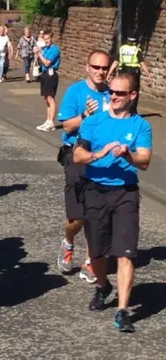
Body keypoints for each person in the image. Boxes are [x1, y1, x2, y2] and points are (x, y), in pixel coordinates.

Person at [73, 72, 152, 333]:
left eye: (120, 93)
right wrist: (98, 154)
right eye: (111, 92)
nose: (114, 97)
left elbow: (145, 161)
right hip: (95, 191)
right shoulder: (94, 122)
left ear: (132, 96)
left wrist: (128, 155)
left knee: (125, 252)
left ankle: (122, 311)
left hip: (125, 193)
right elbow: (77, 155)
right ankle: (103, 285)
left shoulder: (141, 126)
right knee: (96, 252)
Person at [56, 50, 111, 283]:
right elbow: (67, 127)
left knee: (95, 213)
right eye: (96, 67)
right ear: (87, 68)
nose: (100, 71)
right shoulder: (75, 92)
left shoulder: (114, 94)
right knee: (76, 217)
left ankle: (90, 261)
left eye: (104, 68)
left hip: (102, 157)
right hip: (75, 154)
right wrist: (86, 115)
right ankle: (68, 241)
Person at [107, 37, 153, 114]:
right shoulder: (136, 50)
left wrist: (109, 73)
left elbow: (116, 62)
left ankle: (121, 109)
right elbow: (142, 63)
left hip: (123, 72)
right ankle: (133, 111)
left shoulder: (122, 49)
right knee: (134, 92)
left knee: (121, 91)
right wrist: (149, 76)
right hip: (133, 73)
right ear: (135, 42)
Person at [34, 31, 61, 132]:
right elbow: (40, 60)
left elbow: (47, 63)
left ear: (52, 38)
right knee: (46, 98)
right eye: (45, 39)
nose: (46, 41)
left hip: (51, 74)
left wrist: (39, 53)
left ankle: (51, 122)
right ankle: (48, 120)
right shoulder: (45, 49)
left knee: (50, 98)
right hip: (45, 74)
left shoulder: (55, 49)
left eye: (48, 38)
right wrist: (37, 51)